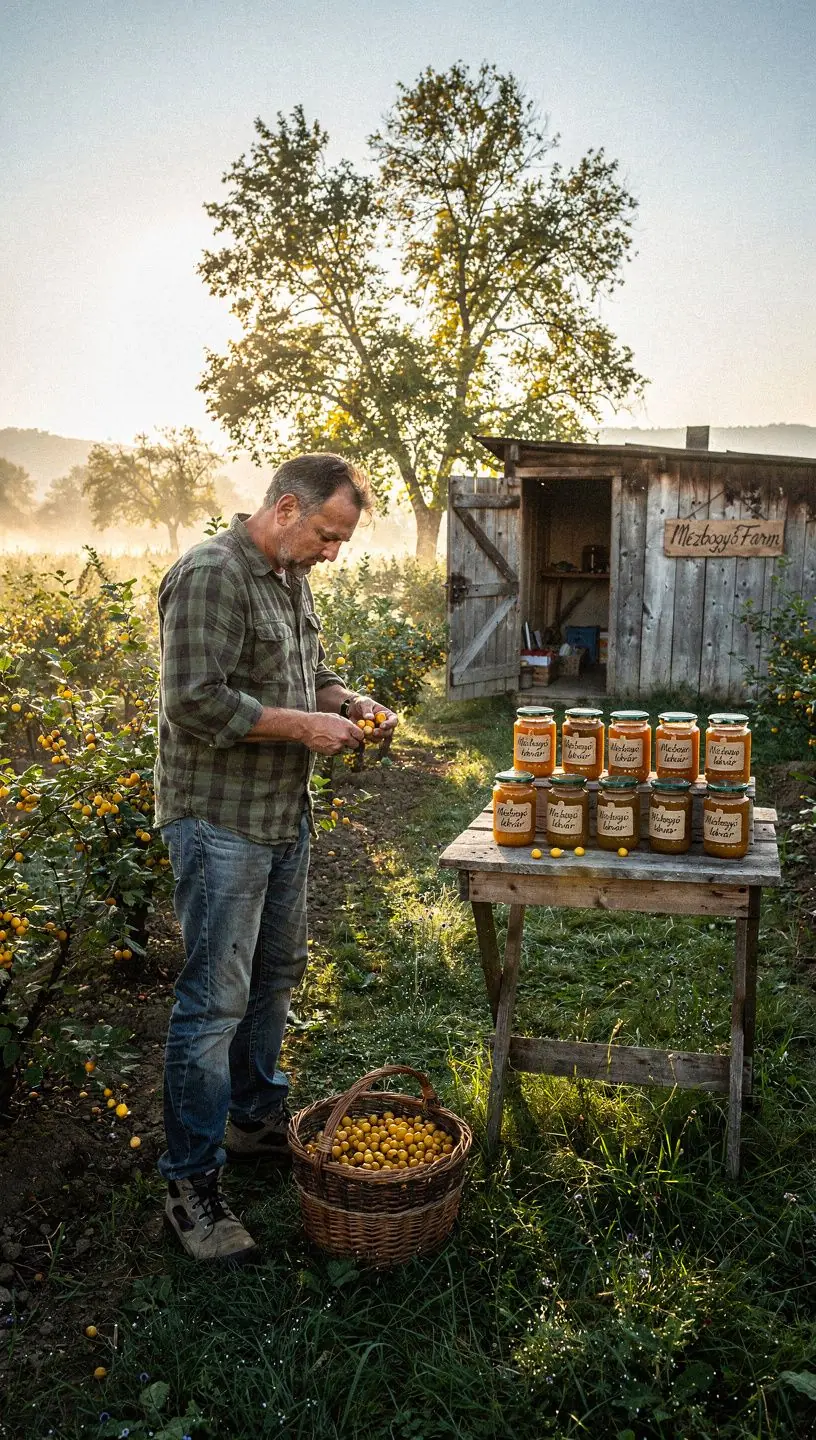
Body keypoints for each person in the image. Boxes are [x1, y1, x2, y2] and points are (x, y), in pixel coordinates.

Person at [154, 452, 397, 1265]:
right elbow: (192, 698)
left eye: (340, 542)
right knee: (214, 999)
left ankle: (254, 1115)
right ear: (286, 508)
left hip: (281, 813)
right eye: (328, 535)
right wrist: (304, 727)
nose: (333, 553)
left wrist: (349, 702)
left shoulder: (288, 577)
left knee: (277, 971)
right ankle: (189, 1182)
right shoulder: (212, 574)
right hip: (219, 818)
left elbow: (308, 675)